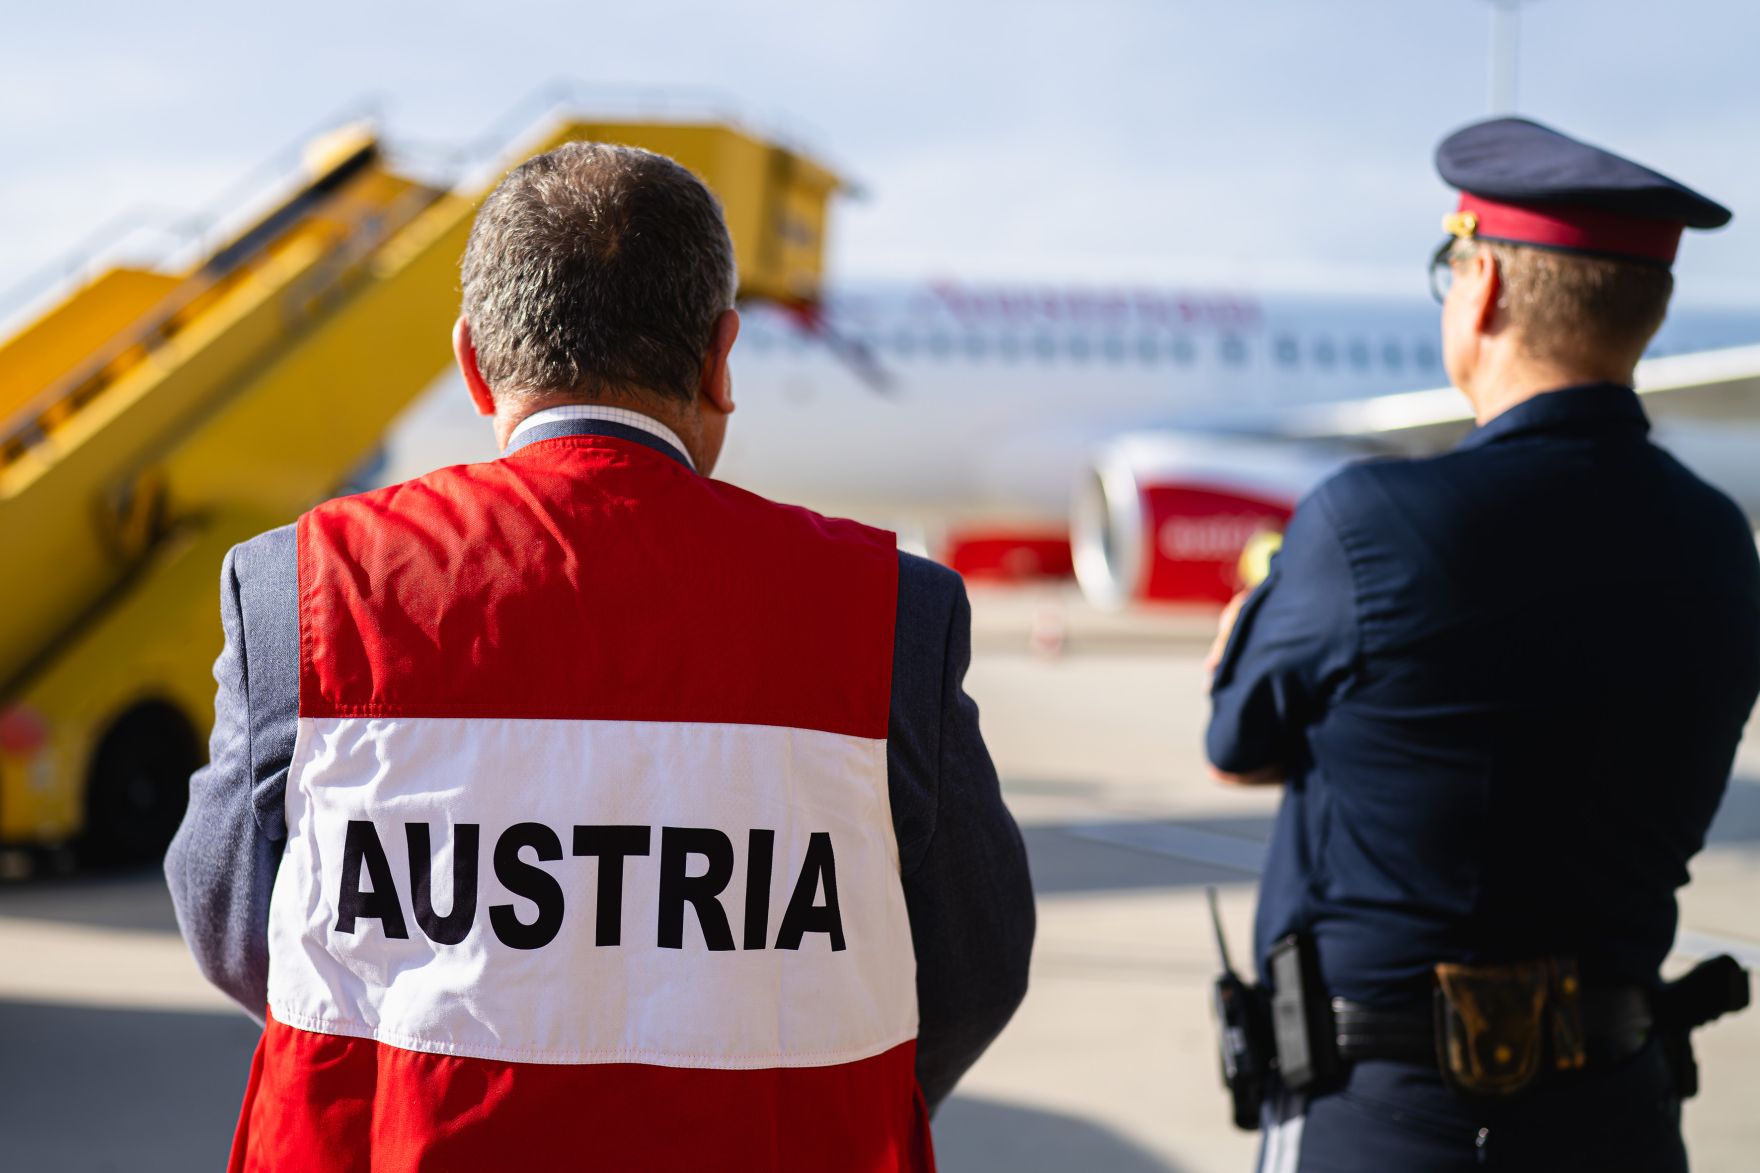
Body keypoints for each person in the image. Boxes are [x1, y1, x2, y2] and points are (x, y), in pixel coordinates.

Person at [164, 141, 1035, 1171]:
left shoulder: (300, 590)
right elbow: (975, 963)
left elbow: (231, 925)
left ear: (473, 361)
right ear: (719, 358)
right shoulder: (891, 610)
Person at [1205, 117, 1759, 1173]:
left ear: (1484, 288)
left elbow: (1235, 742)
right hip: (1620, 1117)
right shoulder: (1716, 543)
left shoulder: (1364, 523)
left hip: (1391, 1120)